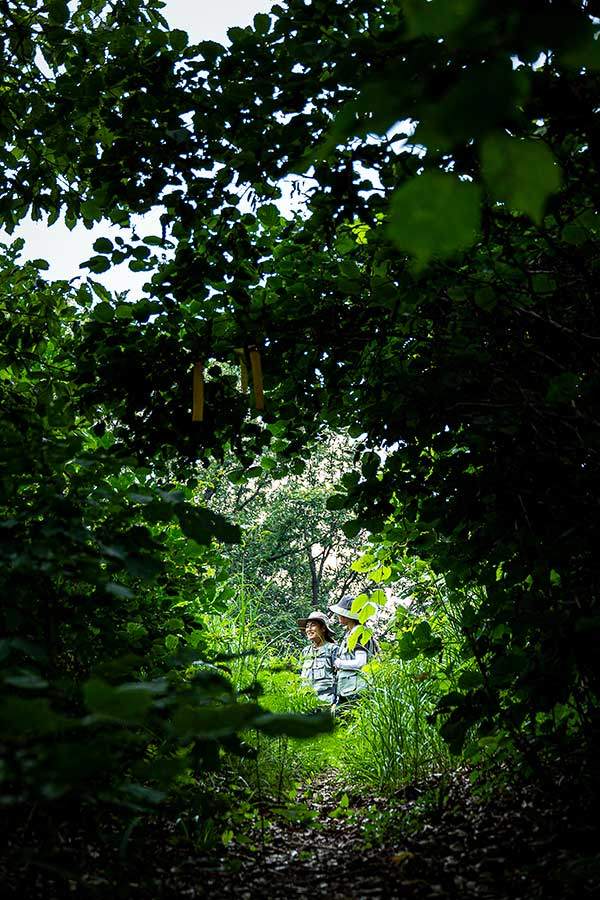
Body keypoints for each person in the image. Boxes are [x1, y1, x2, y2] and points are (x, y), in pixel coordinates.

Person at [328, 594, 378, 706]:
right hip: (347, 689)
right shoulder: (350, 634)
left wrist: (339, 663)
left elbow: (361, 662)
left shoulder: (359, 633)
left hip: (356, 691)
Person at [297, 610, 338, 706]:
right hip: (305, 703)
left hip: (325, 703)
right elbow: (298, 677)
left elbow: (338, 677)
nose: (309, 629)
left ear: (323, 628)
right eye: (307, 626)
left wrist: (336, 702)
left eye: (313, 625)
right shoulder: (305, 651)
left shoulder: (333, 649)